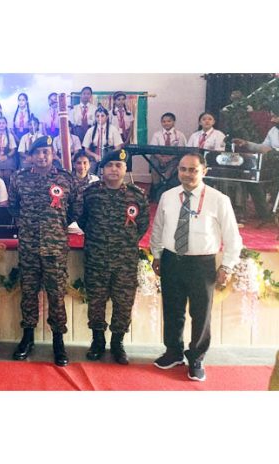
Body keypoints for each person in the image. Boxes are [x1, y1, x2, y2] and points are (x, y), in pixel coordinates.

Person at [150, 152, 242, 381]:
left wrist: (227, 266)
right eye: (183, 169)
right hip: (172, 259)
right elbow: (158, 229)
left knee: (201, 313)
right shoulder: (168, 196)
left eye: (193, 170)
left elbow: (233, 237)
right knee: (172, 310)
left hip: (202, 263)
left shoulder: (218, 199)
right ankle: (173, 352)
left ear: (204, 171)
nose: (187, 174)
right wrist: (157, 255)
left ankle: (197, 357)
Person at [8, 136, 81, 366]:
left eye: (46, 152)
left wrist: (54, 227)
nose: (42, 156)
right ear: (30, 156)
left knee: (56, 296)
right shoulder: (19, 178)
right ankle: (27, 337)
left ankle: (58, 342)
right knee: (28, 294)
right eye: (38, 152)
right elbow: (13, 207)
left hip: (55, 248)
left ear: (53, 154)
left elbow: (74, 209)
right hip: (29, 247)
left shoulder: (65, 179)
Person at [77, 149, 149, 364]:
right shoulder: (90, 193)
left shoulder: (136, 195)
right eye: (110, 166)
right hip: (96, 259)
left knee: (123, 303)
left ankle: (118, 343)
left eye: (119, 166)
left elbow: (142, 225)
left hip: (125, 260)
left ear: (125, 169)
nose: (114, 170)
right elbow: (82, 220)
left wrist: (123, 242)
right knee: (96, 302)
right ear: (102, 169)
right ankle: (97, 341)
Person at [232, 102, 279, 225]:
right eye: (272, 116)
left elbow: (270, 150)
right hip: (273, 166)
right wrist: (246, 143)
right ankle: (265, 214)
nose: (272, 119)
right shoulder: (273, 131)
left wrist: (273, 152)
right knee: (252, 179)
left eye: (275, 116)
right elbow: (264, 147)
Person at [149, 112, 187, 201]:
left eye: (169, 121)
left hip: (173, 158)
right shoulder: (157, 134)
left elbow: (182, 150)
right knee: (153, 161)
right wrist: (160, 158)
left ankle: (165, 185)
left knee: (176, 162)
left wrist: (169, 158)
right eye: (164, 121)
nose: (166, 123)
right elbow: (152, 149)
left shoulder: (180, 135)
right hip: (159, 157)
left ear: (174, 122)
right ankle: (156, 187)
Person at [0, 116, 18, 186]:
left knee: (7, 174)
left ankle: (8, 191)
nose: (1, 125)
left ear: (6, 124)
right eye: (0, 123)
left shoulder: (10, 136)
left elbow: (13, 150)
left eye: (3, 123)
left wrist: (6, 156)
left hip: (8, 157)